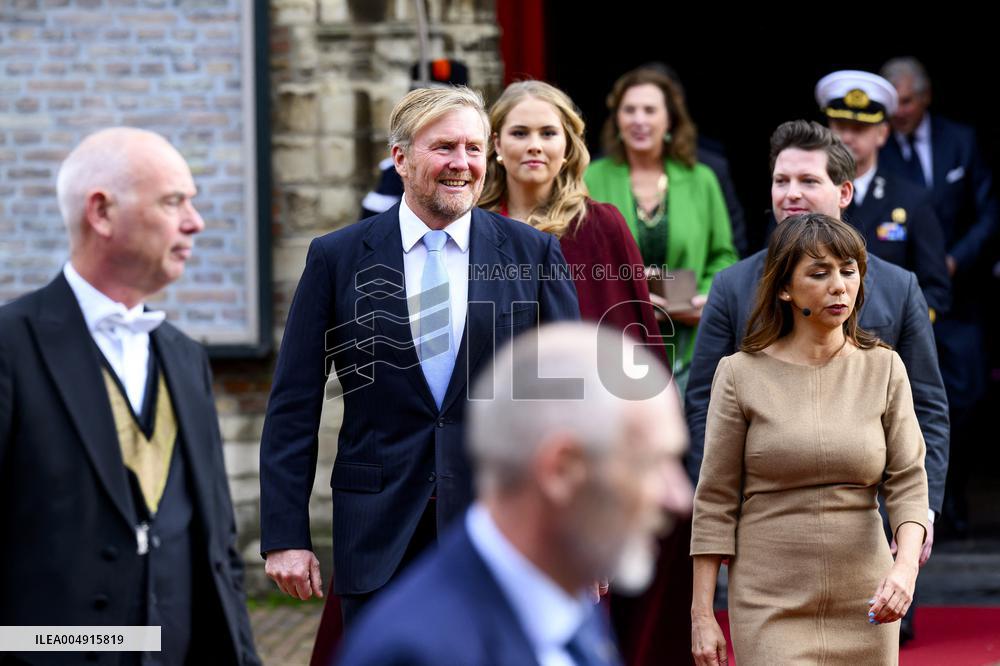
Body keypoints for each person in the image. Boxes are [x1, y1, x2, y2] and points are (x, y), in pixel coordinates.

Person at [258, 86, 580, 627]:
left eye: (475, 149)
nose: (462, 164)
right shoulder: (335, 259)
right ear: (401, 158)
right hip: (377, 533)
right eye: (445, 148)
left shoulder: (533, 253)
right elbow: (294, 403)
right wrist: (285, 537)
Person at [0, 127, 260, 665]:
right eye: (173, 202)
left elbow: (217, 549)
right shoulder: (10, 347)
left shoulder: (185, 357)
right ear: (101, 212)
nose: (196, 222)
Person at [337, 322, 693, 666]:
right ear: (561, 470)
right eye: (650, 464)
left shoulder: (566, 601)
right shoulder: (418, 651)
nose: (679, 498)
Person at [686, 120, 948, 539]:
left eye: (808, 180)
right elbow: (703, 404)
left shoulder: (899, 287)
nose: (791, 193)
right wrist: (722, 507)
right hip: (763, 523)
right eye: (781, 180)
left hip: (877, 524)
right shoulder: (733, 286)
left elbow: (928, 408)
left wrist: (921, 513)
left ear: (845, 193)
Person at [690, 213, 929, 664]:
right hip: (769, 600)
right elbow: (715, 499)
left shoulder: (884, 368)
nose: (839, 285)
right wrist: (702, 613)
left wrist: (904, 570)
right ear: (784, 287)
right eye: (819, 273)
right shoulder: (739, 374)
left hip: (867, 598)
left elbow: (909, 482)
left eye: (848, 270)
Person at [880, 56, 998, 539]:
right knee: (903, 401)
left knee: (965, 397)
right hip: (898, 297)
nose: (900, 111)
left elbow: (990, 212)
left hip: (959, 299)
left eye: (907, 100)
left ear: (925, 97)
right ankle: (913, 509)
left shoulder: (961, 141)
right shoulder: (878, 145)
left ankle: (954, 491)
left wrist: (953, 261)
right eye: (894, 102)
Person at [585, 67, 738, 392]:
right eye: (630, 110)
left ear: (670, 120)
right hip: (613, 336)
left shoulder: (702, 179)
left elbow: (723, 254)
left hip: (689, 339)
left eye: (650, 110)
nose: (639, 120)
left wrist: (704, 298)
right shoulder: (590, 178)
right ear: (617, 120)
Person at [480, 79, 661, 347]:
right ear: (496, 143)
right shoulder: (473, 227)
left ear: (567, 145)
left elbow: (632, 335)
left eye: (548, 133)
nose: (534, 145)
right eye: (519, 133)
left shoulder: (600, 225)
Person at [816, 69, 951, 317]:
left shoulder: (912, 200)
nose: (847, 136)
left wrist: (901, 328)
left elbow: (936, 290)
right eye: (840, 125)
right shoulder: (804, 194)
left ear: (882, 133)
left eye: (859, 128)